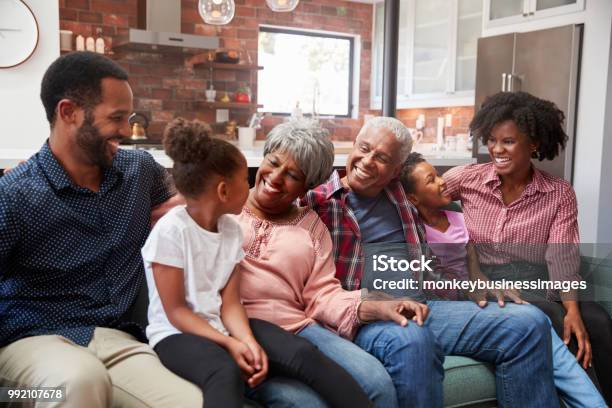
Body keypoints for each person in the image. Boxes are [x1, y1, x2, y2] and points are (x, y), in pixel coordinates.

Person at [303, 116, 559, 408]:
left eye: (382, 157)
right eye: (364, 148)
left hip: (426, 306)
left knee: (529, 322)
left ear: (396, 171)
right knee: (412, 339)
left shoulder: (401, 195)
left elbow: (430, 268)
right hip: (367, 317)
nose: (368, 161)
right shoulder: (319, 202)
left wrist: (471, 287)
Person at [0, 52, 200, 407]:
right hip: (33, 341)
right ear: (68, 113)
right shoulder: (15, 195)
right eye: (116, 118)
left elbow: (189, 204)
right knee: (79, 381)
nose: (127, 130)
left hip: (119, 340)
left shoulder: (139, 171)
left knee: (195, 402)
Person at [143, 118, 371, 408]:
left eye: (292, 174)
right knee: (224, 370)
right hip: (176, 334)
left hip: (223, 324)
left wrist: (247, 341)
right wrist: (231, 344)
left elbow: (231, 303)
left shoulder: (230, 230)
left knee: (304, 354)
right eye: (244, 180)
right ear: (224, 192)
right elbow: (175, 312)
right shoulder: (171, 230)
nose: (253, 185)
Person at [236, 120, 433, 408]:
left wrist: (377, 304)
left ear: (307, 186)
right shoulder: (225, 204)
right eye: (274, 162)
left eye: (292, 174)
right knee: (306, 404)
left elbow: (323, 295)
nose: (276, 177)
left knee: (376, 384)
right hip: (237, 325)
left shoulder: (311, 224)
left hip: (299, 329)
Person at [442, 92, 612, 404]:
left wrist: (573, 308)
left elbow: (561, 255)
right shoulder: (466, 179)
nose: (496, 149)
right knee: (555, 320)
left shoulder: (558, 193)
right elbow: (420, 196)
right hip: (488, 284)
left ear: (533, 143)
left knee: (596, 320)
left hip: (539, 282)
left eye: (507, 141)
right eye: (491, 140)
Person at [401, 152, 606, 408]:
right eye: (431, 179)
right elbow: (428, 278)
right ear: (412, 197)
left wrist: (484, 284)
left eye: (438, 174)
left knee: (575, 319)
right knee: (537, 319)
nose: (443, 181)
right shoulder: (415, 231)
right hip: (454, 300)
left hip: (481, 291)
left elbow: (473, 262)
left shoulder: (459, 219)